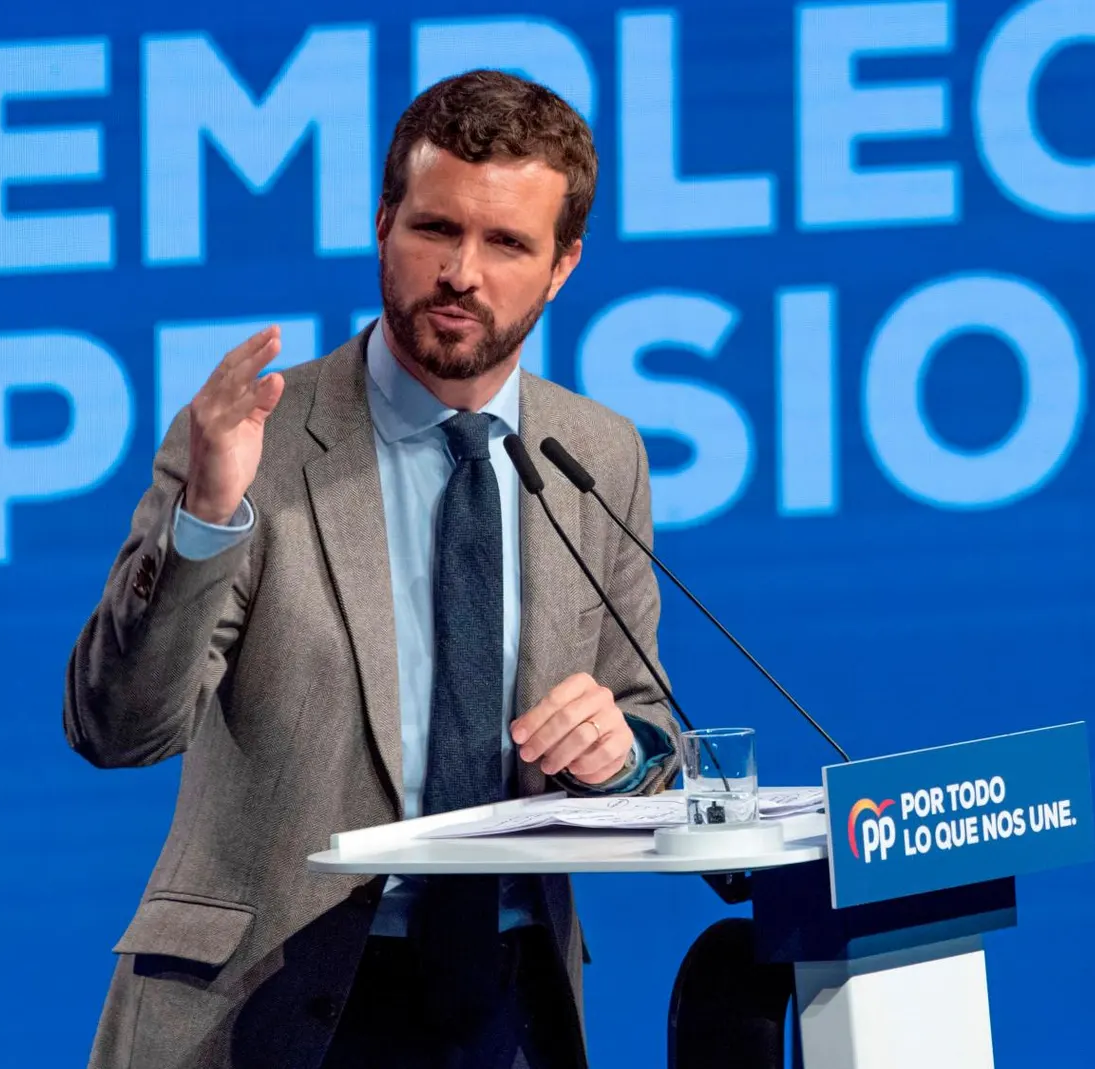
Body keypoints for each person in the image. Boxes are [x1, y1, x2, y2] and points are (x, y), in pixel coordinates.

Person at [64, 69, 678, 1069]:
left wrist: (624, 753)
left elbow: (646, 718)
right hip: (265, 1007)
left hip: (506, 1004)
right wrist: (208, 520)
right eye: (436, 229)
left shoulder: (596, 453)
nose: (462, 273)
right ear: (383, 221)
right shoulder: (251, 438)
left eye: (507, 243)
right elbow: (118, 726)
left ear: (563, 264)